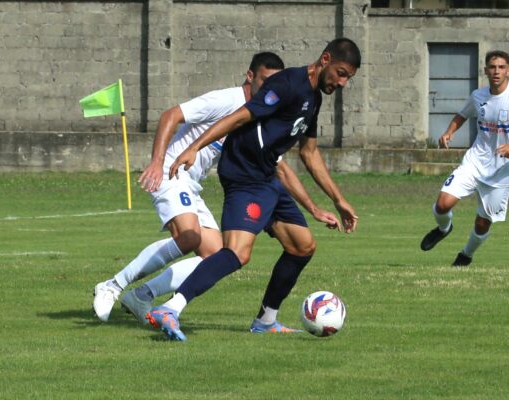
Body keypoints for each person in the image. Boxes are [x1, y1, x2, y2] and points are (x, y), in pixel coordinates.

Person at [93, 52, 341, 323]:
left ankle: (143, 294)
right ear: (250, 77)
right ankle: (113, 285)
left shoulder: (262, 115)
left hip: (192, 183)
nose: (272, 86)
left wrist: (315, 209)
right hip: (171, 171)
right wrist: (156, 161)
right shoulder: (227, 100)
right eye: (265, 80)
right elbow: (170, 115)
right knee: (189, 236)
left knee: (215, 253)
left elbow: (280, 166)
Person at [146, 38, 362, 341]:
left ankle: (265, 321)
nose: (342, 83)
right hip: (245, 174)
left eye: (348, 78)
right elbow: (240, 116)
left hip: (267, 177)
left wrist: (335, 202)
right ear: (325, 59)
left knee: (302, 246)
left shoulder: (314, 99)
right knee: (236, 253)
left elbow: (309, 153)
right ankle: (170, 308)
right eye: (341, 73)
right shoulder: (287, 83)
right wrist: (195, 147)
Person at [420, 50, 509, 267]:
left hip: (501, 171)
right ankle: (444, 228)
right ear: (485, 71)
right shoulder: (478, 96)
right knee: (443, 204)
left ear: (508, 71)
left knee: (482, 223)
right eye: (492, 67)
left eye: (501, 67)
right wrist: (449, 132)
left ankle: (466, 255)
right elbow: (462, 114)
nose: (496, 71)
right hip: (475, 162)